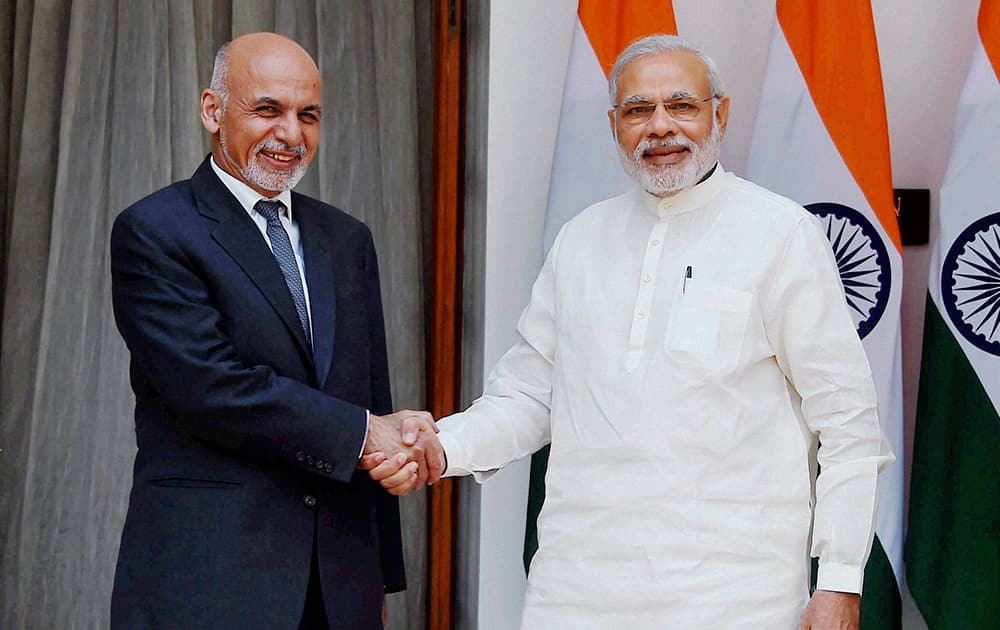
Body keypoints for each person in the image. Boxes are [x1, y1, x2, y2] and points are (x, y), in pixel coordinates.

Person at [367, 34, 894, 629]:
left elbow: (848, 422)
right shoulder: (581, 239)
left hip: (735, 596)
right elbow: (527, 396)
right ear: (615, 123)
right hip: (575, 591)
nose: (661, 127)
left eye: (683, 106)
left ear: (719, 114)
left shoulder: (781, 234)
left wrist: (840, 583)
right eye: (640, 110)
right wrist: (442, 446)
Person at [109, 32, 444, 630]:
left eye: (307, 115)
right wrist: (369, 435)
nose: (290, 134)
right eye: (268, 109)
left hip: (338, 584)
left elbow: (369, 395)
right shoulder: (155, 231)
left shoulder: (346, 240)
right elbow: (211, 388)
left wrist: (378, 581)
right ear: (213, 110)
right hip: (211, 582)